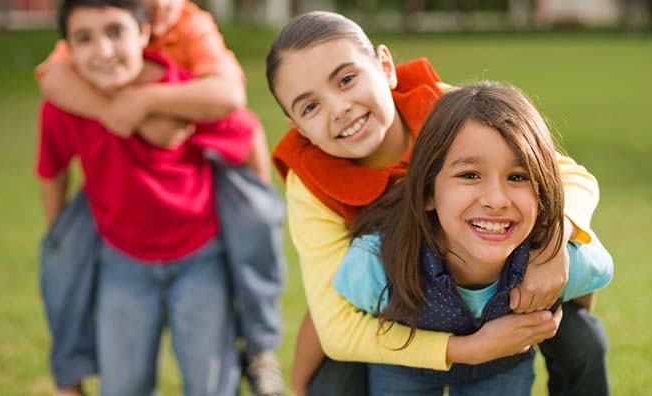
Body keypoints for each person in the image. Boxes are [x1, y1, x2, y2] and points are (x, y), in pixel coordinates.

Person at [267, 11, 608, 396]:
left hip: (502, 280)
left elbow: (570, 176)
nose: (338, 108)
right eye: (309, 106)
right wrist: (467, 349)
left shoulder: (449, 111)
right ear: (295, 124)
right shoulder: (309, 179)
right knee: (332, 386)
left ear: (385, 66)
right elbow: (335, 326)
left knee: (580, 340)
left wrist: (553, 243)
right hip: (395, 300)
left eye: (347, 80)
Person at [35, 0, 286, 394]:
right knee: (123, 385)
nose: (102, 50)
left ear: (144, 32)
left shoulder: (184, 89)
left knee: (210, 384)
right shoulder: (67, 104)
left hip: (200, 258)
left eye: (115, 33)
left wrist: (257, 203)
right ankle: (70, 376)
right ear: (67, 48)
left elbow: (244, 128)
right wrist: (59, 236)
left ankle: (259, 349)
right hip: (124, 263)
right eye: (84, 39)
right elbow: (52, 168)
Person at [332, 81, 614, 395]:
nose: (496, 200)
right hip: (406, 368)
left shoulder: (558, 261)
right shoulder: (375, 266)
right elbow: (334, 324)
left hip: (500, 370)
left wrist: (556, 273)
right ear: (428, 192)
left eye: (517, 177)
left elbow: (596, 275)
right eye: (469, 175)